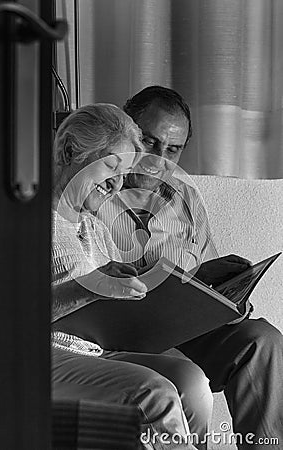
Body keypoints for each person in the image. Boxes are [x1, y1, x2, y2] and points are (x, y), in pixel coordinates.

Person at [97, 86, 283, 449]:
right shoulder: (91, 186)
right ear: (124, 127)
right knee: (186, 374)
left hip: (186, 326)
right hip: (125, 332)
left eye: (173, 149)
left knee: (264, 342)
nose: (158, 160)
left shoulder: (185, 196)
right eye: (148, 142)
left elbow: (204, 274)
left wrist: (229, 298)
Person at [51, 103, 213, 450]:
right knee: (154, 394)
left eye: (124, 171)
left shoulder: (94, 227)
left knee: (191, 379)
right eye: (110, 165)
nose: (117, 183)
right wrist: (88, 287)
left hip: (93, 350)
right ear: (68, 151)